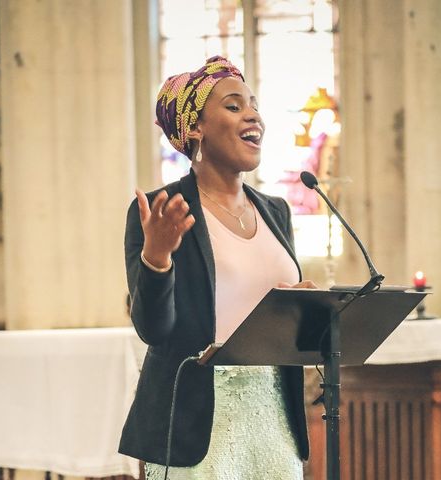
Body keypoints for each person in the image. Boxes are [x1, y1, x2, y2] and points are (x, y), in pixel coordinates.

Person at [119, 56, 316, 479]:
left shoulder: (276, 212)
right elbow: (154, 330)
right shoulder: (161, 212)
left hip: (274, 416)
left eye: (254, 105)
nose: (252, 115)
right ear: (195, 129)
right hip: (196, 419)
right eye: (233, 105)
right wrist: (156, 257)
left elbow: (268, 314)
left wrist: (306, 308)